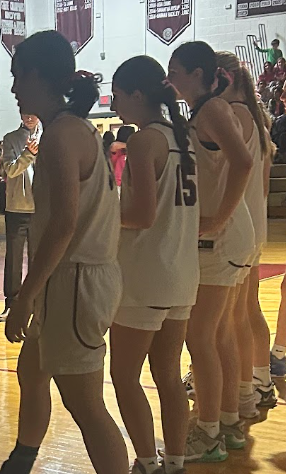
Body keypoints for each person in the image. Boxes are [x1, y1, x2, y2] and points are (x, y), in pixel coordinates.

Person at [0, 30, 126, 474]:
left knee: (86, 406)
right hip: (72, 279)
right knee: (31, 373)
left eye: (18, 77)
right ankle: (20, 461)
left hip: (74, 281)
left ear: (38, 76)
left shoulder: (60, 136)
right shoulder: (74, 127)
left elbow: (63, 225)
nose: (13, 88)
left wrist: (26, 296)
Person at [108, 55, 198, 474]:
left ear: (137, 94)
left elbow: (141, 215)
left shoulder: (145, 141)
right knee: (168, 374)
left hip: (147, 272)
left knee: (124, 376)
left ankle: (146, 462)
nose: (113, 104)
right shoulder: (183, 137)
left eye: (119, 94)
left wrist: (102, 213)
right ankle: (175, 462)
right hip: (181, 270)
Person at [168, 42, 253, 462]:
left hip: (222, 238)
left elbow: (243, 162)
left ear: (199, 73)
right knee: (218, 336)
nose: (170, 78)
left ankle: (208, 433)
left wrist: (219, 217)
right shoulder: (203, 111)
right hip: (230, 236)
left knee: (199, 336)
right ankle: (230, 424)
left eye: (176, 70)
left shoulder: (213, 110)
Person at [215, 52, 278, 418]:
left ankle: (242, 391)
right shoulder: (258, 118)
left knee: (231, 317)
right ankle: (261, 379)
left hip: (237, 224)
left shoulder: (233, 115)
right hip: (255, 223)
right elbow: (265, 185)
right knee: (246, 310)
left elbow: (229, 172)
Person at [0, 113, 40, 322]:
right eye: (25, 112)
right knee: (14, 258)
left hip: (41, 209)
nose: (29, 117)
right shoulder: (11, 139)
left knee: (38, 259)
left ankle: (35, 303)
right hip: (16, 208)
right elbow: (11, 170)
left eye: (34, 112)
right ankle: (11, 303)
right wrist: (27, 154)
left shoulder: (49, 136)